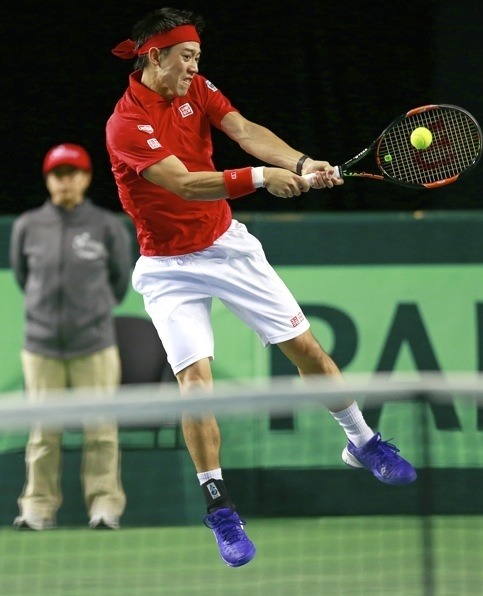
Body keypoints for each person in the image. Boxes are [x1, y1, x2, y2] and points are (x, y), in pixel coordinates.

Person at [106, 7, 417, 567]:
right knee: (196, 386)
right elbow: (183, 184)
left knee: (307, 351)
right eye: (187, 57)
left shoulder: (197, 89)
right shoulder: (126, 124)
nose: (195, 67)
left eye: (198, 57)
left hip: (227, 246)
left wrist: (300, 161)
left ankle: (362, 441)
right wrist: (259, 179)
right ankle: (220, 507)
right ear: (155, 55)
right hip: (168, 269)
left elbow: (244, 131)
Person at [10, 143, 133, 531]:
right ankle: (37, 509)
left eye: (73, 173)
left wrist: (90, 318)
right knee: (43, 434)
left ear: (86, 178)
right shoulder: (27, 226)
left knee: (101, 431)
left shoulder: (106, 226)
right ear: (48, 180)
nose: (65, 181)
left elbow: (119, 282)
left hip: (94, 347)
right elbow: (22, 277)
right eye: (58, 174)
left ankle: (105, 507)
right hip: (41, 348)